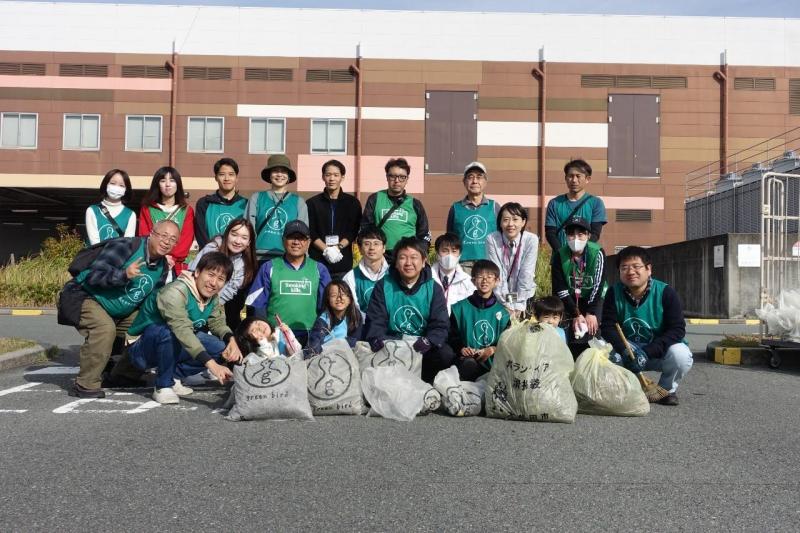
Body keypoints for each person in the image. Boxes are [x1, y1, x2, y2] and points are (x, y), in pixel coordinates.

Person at [68, 219, 179, 398]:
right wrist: (123, 275)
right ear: (151, 234)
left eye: (173, 239)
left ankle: (123, 375)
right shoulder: (126, 246)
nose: (167, 241)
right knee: (105, 329)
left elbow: (151, 300)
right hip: (89, 297)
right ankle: (85, 384)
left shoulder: (163, 266)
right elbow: (93, 277)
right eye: (163, 235)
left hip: (122, 310)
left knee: (150, 330)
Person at [126, 252, 241, 404]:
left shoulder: (213, 298)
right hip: (141, 350)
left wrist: (232, 342)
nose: (214, 283)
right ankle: (163, 385)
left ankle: (173, 376)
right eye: (211, 275)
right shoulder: (175, 292)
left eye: (220, 279)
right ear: (198, 272)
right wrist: (213, 366)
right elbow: (182, 330)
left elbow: (217, 323)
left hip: (176, 342)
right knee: (168, 332)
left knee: (221, 348)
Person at [600, 246, 693, 406]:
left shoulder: (666, 292)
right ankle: (627, 388)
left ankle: (667, 390)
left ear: (648, 269)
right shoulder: (613, 292)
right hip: (627, 351)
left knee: (681, 355)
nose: (630, 272)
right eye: (624, 267)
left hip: (657, 350)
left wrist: (646, 352)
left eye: (636, 267)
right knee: (599, 351)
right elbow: (608, 327)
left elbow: (677, 330)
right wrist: (623, 348)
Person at [365, 236, 454, 383]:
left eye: (414, 257)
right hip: (391, 345)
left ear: (424, 261)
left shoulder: (433, 288)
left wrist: (430, 340)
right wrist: (376, 337)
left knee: (445, 354)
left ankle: (428, 386)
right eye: (403, 258)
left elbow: (440, 324)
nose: (408, 263)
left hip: (422, 346)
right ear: (396, 263)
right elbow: (376, 319)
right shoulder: (383, 286)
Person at [245, 220, 331, 346]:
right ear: (283, 240)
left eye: (301, 238)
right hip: (276, 335)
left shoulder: (319, 269)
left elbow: (327, 306)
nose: (296, 242)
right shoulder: (268, 267)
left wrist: (319, 334)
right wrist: (264, 336)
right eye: (291, 237)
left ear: (308, 242)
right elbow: (257, 306)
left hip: (310, 335)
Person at [551, 216, 607, 356]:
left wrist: (591, 312)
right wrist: (576, 313)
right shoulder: (559, 255)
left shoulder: (597, 252)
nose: (575, 238)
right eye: (571, 234)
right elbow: (560, 288)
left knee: (591, 328)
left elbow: (598, 284)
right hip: (569, 298)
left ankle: (593, 360)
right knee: (569, 329)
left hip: (593, 297)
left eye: (581, 234)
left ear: (588, 235)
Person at [189, 218, 257, 331]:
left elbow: (229, 291)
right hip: (192, 300)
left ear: (249, 243)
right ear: (227, 234)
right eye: (234, 234)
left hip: (215, 306)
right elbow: (192, 273)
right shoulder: (212, 248)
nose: (238, 241)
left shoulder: (244, 264)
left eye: (244, 238)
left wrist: (209, 307)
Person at [448, 259, 511, 381]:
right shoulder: (459, 308)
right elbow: (451, 336)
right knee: (468, 365)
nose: (485, 280)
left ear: (497, 281)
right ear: (473, 280)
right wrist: (462, 348)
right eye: (480, 276)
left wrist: (492, 349)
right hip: (467, 361)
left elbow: (507, 341)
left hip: (493, 362)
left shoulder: (503, 313)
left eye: (489, 277)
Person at [245, 154, 309, 264]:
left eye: (283, 171)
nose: (279, 175)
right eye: (275, 171)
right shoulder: (257, 198)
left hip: (288, 258)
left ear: (289, 176)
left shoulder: (298, 202)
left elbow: (303, 234)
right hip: (259, 257)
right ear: (269, 175)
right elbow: (247, 229)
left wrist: (304, 259)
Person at [360, 157, 430, 253]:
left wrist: (420, 252)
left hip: (407, 254)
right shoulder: (375, 199)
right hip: (381, 255)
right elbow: (366, 228)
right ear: (387, 177)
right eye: (392, 176)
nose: (397, 180)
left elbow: (423, 233)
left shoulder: (415, 204)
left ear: (407, 179)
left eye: (402, 177)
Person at [307, 159, 362, 281]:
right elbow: (311, 230)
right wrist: (326, 249)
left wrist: (338, 247)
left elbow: (353, 230)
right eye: (328, 175)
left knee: (340, 298)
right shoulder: (312, 203)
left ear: (342, 177)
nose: (332, 179)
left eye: (336, 175)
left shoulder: (352, 203)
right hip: (318, 260)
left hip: (343, 261)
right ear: (323, 177)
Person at [485, 202, 539, 318]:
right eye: (506, 220)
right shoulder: (492, 239)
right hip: (499, 296)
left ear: (523, 222)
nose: (510, 224)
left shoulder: (531, 240)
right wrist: (507, 304)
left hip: (525, 297)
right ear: (500, 222)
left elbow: (526, 273)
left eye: (515, 219)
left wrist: (519, 305)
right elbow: (497, 273)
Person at [138, 166, 195, 274]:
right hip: (152, 262)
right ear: (157, 184)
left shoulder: (187, 210)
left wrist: (171, 257)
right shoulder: (147, 209)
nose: (168, 185)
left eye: (172, 180)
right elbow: (145, 236)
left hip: (176, 266)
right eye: (163, 180)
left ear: (178, 184)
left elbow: (186, 239)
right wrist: (159, 257)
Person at [446, 161, 499, 272]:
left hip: (489, 262)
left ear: (485, 181)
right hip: (463, 264)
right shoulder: (455, 208)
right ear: (464, 182)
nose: (475, 181)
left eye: (479, 177)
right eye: (470, 177)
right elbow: (450, 238)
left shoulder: (495, 207)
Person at [544, 159, 607, 251]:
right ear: (565, 178)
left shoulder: (596, 203)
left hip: (586, 258)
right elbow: (550, 233)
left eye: (578, 176)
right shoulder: (554, 203)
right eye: (570, 176)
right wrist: (562, 254)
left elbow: (595, 233)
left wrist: (581, 253)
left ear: (587, 179)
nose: (574, 180)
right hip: (560, 259)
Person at [194, 157, 248, 249]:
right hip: (211, 257)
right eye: (222, 174)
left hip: (238, 258)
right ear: (216, 178)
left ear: (236, 178)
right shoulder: (204, 203)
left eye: (231, 174)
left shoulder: (246, 204)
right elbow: (200, 234)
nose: (227, 178)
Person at [343, 225, 390, 323]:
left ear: (384, 248)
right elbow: (353, 310)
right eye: (367, 244)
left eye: (376, 244)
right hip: (363, 327)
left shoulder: (394, 274)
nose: (372, 248)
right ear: (360, 249)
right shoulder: (350, 277)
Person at [304, 280, 363, 357]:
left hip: (347, 356)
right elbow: (314, 344)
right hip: (325, 358)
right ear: (328, 299)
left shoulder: (355, 316)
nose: (339, 298)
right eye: (334, 295)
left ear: (350, 299)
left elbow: (355, 342)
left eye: (343, 294)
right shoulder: (323, 320)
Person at [85, 168, 137, 245]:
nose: (116, 187)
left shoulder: (130, 214)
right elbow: (94, 244)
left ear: (126, 189)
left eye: (121, 185)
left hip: (119, 256)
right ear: (105, 185)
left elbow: (127, 244)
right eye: (112, 183)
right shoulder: (92, 210)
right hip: (95, 256)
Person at [431, 232, 475, 315]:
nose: (449, 255)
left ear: (460, 255)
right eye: (445, 251)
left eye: (454, 251)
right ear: (437, 254)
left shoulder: (468, 282)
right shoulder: (427, 279)